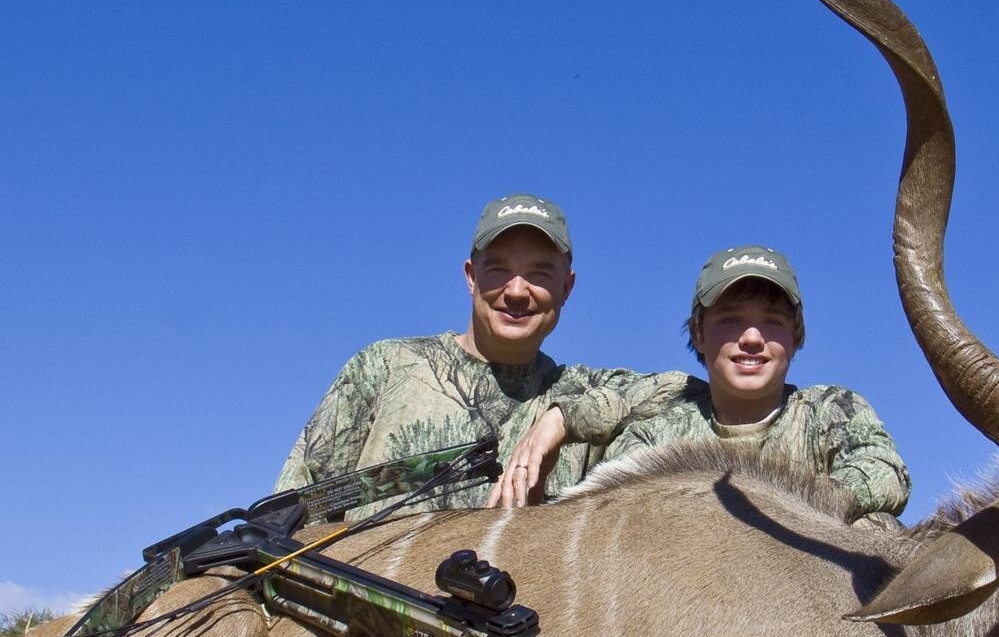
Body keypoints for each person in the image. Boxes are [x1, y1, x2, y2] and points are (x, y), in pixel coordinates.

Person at [276, 193, 672, 514]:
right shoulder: (384, 366)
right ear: (471, 277)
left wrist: (562, 419)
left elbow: (681, 391)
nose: (517, 291)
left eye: (539, 273)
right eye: (499, 269)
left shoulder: (577, 391)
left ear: (566, 288)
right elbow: (293, 510)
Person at [491, 244, 910, 523]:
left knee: (878, 529)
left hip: (804, 601)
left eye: (773, 323)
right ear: (698, 334)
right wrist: (558, 418)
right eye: (730, 320)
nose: (751, 338)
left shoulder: (830, 409)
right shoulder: (663, 428)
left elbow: (885, 474)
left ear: (795, 338)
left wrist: (775, 513)